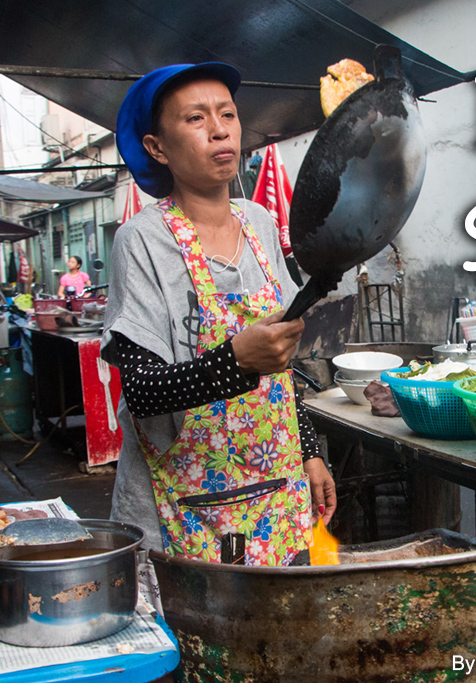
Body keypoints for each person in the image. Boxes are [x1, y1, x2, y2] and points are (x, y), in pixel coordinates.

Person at [103, 63, 336, 566]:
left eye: (227, 114)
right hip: (180, 507)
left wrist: (310, 449)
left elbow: (281, 364)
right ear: (157, 147)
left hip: (274, 491)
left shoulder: (261, 223)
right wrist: (236, 361)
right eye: (195, 118)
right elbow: (142, 392)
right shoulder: (142, 241)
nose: (219, 128)